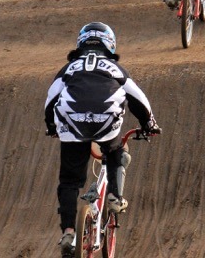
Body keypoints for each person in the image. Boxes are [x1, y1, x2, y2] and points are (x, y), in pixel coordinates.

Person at [44, 22, 160, 257]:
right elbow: (139, 100)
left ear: (81, 43)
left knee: (69, 180)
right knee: (115, 151)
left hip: (71, 124)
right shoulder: (116, 69)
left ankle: (68, 231)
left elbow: (50, 99)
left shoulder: (69, 68)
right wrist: (149, 124)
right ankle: (115, 198)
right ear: (110, 44)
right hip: (106, 123)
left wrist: (51, 126)